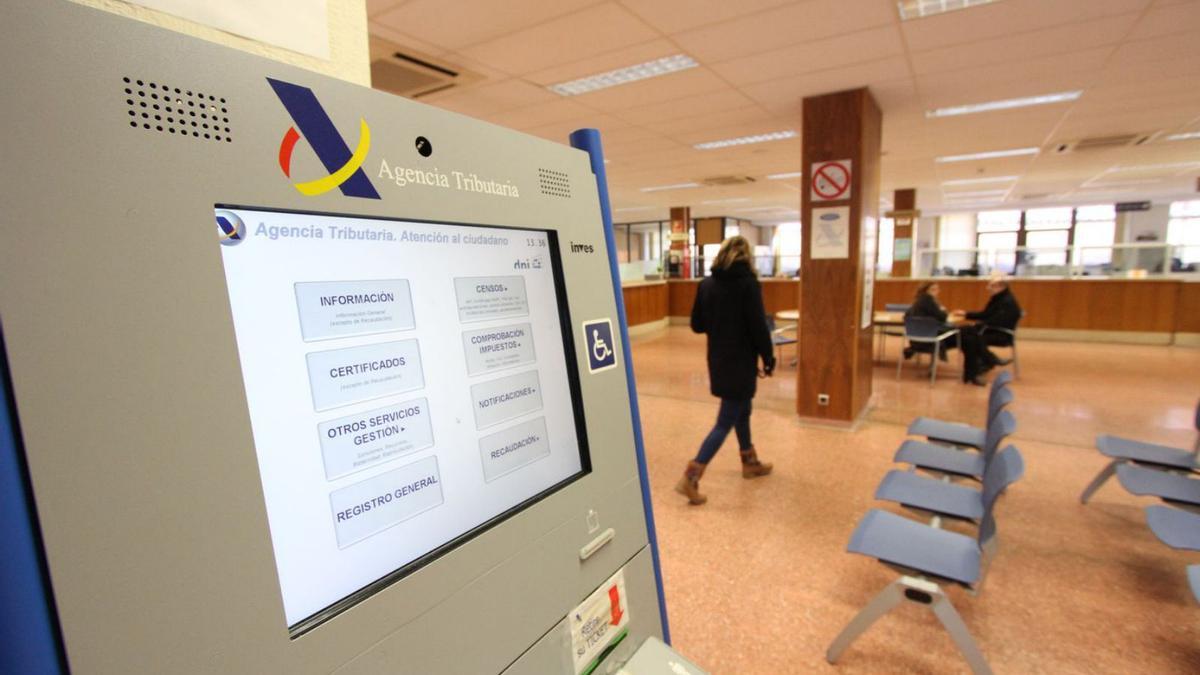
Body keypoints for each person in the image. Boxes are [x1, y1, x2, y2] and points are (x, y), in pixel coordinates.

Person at [677, 236, 775, 506]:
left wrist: (720, 323)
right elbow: (758, 326)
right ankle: (691, 476)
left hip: (719, 358)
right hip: (741, 361)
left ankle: (750, 461)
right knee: (726, 420)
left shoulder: (707, 284)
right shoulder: (748, 285)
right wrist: (768, 356)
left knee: (742, 410)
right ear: (747, 257)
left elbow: (697, 324)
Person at [905, 282, 989, 386]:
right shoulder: (928, 301)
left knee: (969, 335)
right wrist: (942, 309)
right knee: (969, 334)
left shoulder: (917, 302)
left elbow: (906, 316)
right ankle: (976, 369)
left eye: (937, 289)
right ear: (926, 290)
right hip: (933, 340)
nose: (936, 292)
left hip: (919, 340)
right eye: (933, 289)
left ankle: (977, 369)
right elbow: (942, 317)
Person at [956, 276, 1022, 369]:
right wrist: (966, 314)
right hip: (992, 330)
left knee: (969, 338)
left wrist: (978, 324)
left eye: (991, 286)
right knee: (964, 332)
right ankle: (988, 360)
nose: (988, 288)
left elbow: (998, 321)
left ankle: (983, 363)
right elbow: (985, 314)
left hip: (1001, 334)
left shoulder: (1006, 301)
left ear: (1001, 287)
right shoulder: (999, 298)